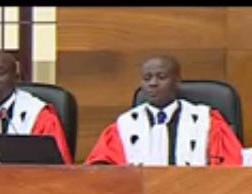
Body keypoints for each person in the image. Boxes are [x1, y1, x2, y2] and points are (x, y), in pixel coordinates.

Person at [84, 55, 243, 166]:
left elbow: (230, 166)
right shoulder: (123, 127)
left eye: (161, 77)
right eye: (147, 78)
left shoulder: (207, 122)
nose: (153, 83)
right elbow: (101, 169)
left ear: (177, 81)